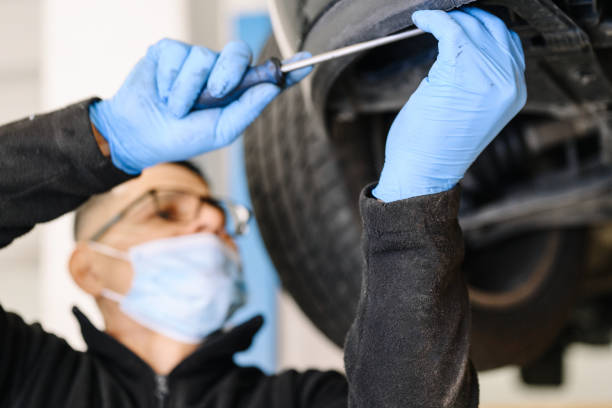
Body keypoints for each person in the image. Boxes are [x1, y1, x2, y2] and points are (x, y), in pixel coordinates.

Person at [0, 7, 526, 408]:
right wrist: (104, 141)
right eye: (165, 211)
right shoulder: (27, 382)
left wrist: (411, 202)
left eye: (218, 212)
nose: (213, 221)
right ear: (88, 268)